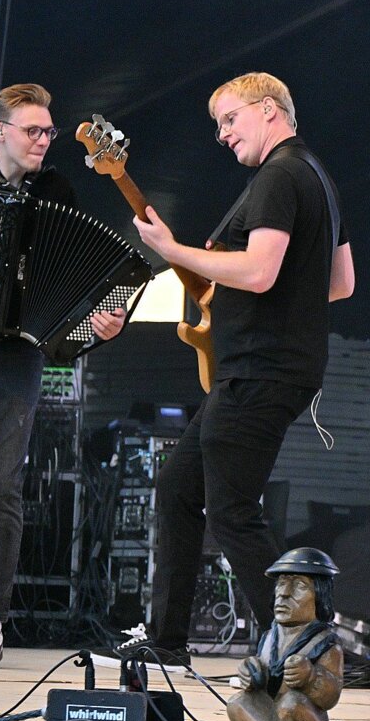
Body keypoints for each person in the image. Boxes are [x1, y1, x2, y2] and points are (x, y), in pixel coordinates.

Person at [129, 72, 354, 668]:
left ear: (270, 110)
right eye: (219, 126)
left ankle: (303, 648)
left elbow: (257, 271)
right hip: (267, 367)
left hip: (259, 368)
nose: (223, 135)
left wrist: (172, 250)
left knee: (232, 512)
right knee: (179, 489)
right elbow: (341, 282)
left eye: (230, 119)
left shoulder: (278, 176)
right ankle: (168, 641)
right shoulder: (318, 177)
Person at [0, 83, 125, 667]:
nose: (44, 140)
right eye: (32, 131)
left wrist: (100, 322)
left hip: (19, 350)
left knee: (4, 487)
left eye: (48, 131)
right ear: (0, 131)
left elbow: (79, 274)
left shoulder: (57, 191)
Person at [225, 547, 344, 721]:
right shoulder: (270, 637)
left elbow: (331, 696)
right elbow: (262, 676)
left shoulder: (326, 643)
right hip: (269, 716)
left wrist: (311, 677)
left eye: (299, 586)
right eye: (281, 584)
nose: (284, 593)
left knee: (289, 706)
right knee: (237, 702)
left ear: (320, 597)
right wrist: (251, 671)